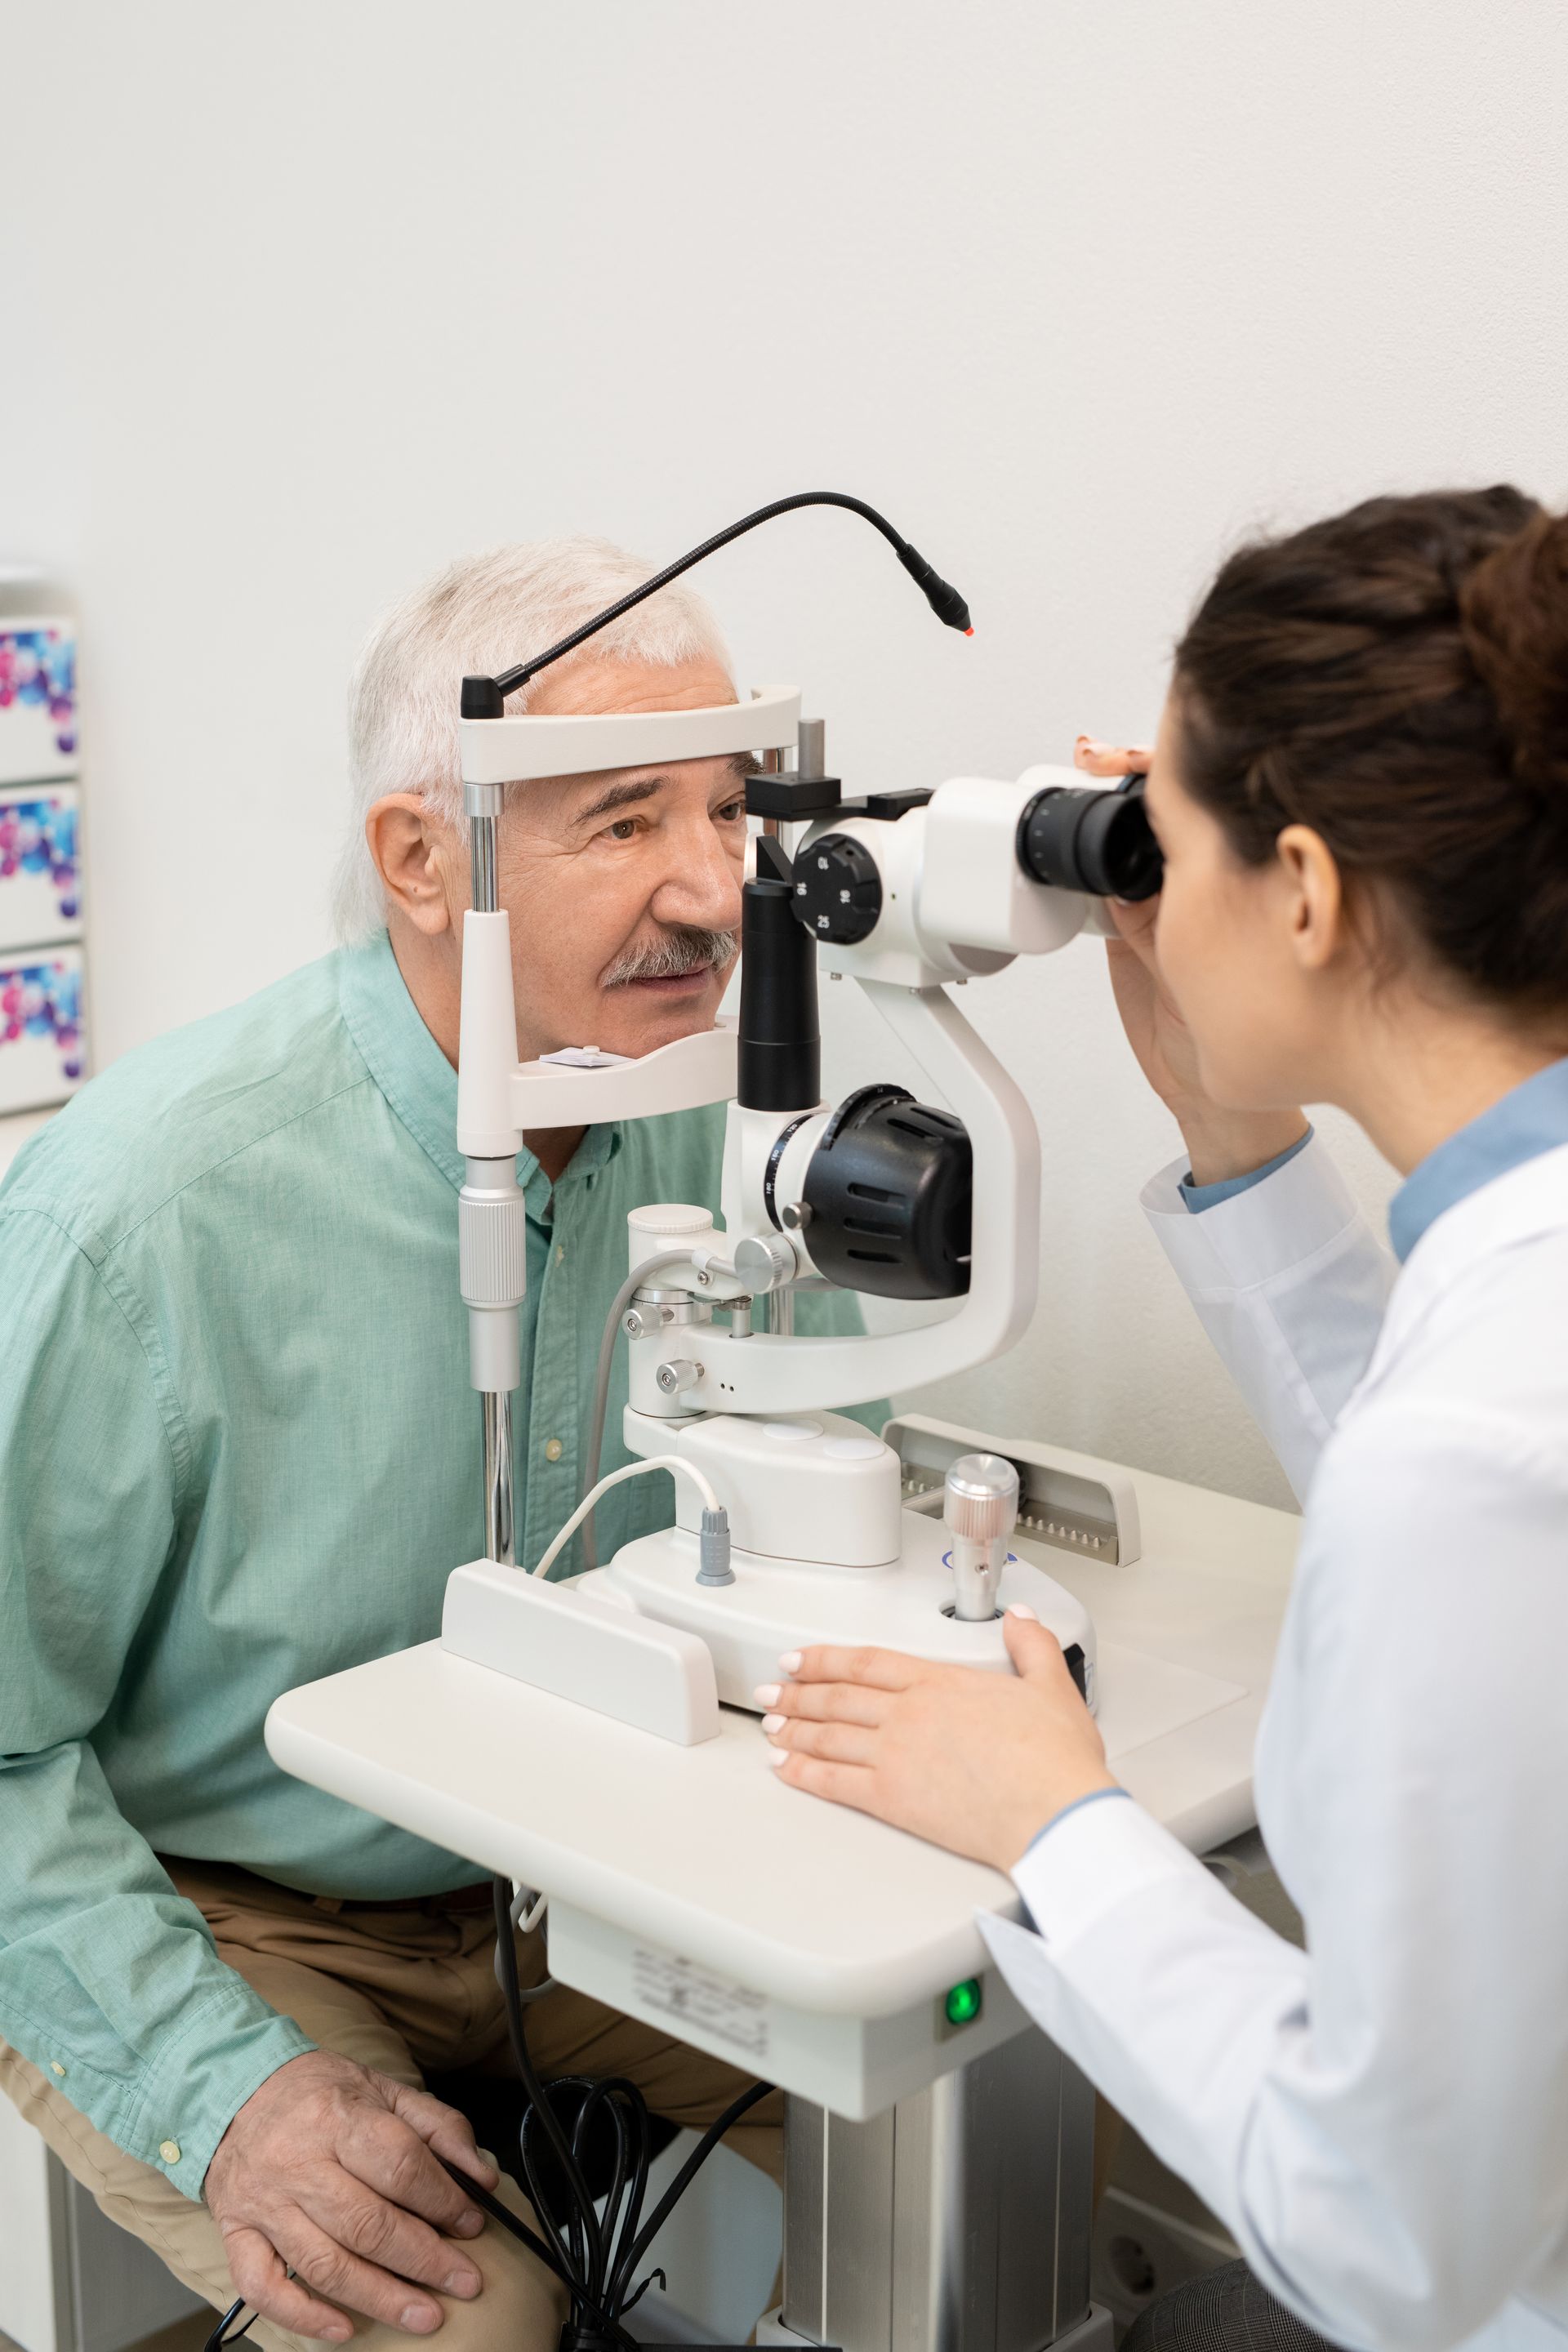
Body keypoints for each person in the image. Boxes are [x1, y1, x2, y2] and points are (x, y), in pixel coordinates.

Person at [0, 537, 876, 2351]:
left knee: (1001, 2105)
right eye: (626, 821)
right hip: (229, 1894)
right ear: (422, 857)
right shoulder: (145, 1213)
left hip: (585, 1857)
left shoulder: (718, 1127)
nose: (717, 893)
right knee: (466, 2321)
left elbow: (827, 1532)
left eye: (730, 812)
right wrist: (227, 2086)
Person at [758, 486, 1568, 2351]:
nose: (1141, 888)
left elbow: (1381, 2238)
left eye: (1169, 843)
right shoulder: (1503, 1327)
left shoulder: (1466, 1465)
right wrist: (1235, 1138)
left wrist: (1063, 1826)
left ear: (1304, 892)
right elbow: (1463, 1477)